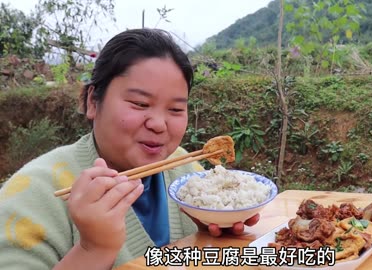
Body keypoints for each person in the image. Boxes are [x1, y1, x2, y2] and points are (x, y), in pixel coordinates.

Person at [0, 28, 259, 269]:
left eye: (176, 109)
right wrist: (93, 250)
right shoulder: (31, 194)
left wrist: (213, 234)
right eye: (139, 103)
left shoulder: (185, 168)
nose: (158, 124)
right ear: (93, 101)